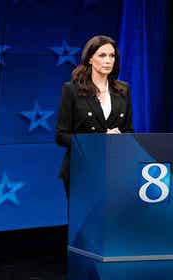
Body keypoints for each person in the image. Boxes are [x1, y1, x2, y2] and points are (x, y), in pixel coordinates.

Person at [55, 35, 134, 198]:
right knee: (87, 223)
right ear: (90, 59)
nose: (108, 60)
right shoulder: (72, 90)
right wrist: (100, 140)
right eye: (102, 55)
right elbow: (61, 136)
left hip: (114, 171)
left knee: (112, 222)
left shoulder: (123, 90)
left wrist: (121, 138)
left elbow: (129, 131)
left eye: (112, 56)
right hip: (81, 170)